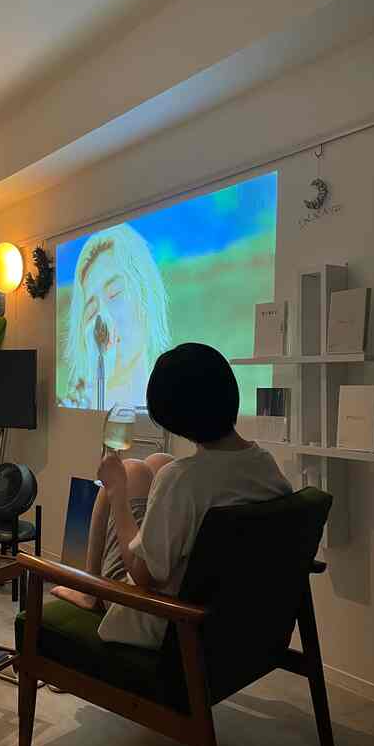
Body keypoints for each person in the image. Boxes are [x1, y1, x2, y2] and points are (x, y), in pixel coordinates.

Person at [52, 343, 292, 648]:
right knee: (156, 463)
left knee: (126, 473)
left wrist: (117, 493)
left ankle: (90, 591)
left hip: (163, 618)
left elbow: (142, 576)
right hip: (230, 618)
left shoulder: (184, 481)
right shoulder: (265, 465)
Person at [61, 223, 170, 408]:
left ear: (145, 293)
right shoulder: (74, 407)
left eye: (115, 293)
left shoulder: (175, 407)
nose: (103, 317)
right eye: (91, 312)